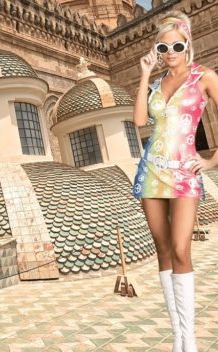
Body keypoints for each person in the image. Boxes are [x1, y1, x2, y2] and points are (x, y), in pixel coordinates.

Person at [131, 10, 218, 352]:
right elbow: (139, 121)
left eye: (177, 46)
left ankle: (191, 340)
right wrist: (142, 76)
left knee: (182, 250)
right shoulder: (154, 83)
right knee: (163, 250)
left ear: (188, 46)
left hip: (184, 172)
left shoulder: (205, 78)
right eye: (163, 47)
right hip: (150, 171)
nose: (170, 53)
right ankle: (178, 338)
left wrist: (211, 161)